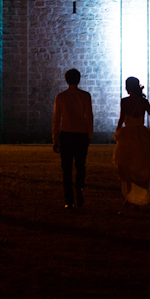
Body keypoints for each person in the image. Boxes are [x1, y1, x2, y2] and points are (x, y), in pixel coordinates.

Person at [114, 77, 150, 208]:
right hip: (141, 134)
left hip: (128, 135)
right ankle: (143, 195)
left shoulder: (124, 102)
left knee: (127, 163)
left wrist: (118, 130)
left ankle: (129, 196)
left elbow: (121, 119)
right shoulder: (144, 102)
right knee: (143, 163)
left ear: (128, 88)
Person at [52, 69, 94, 209]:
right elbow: (89, 116)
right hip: (81, 134)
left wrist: (55, 138)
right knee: (81, 165)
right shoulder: (85, 96)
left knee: (67, 168)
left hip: (67, 134)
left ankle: (69, 199)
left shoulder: (61, 97)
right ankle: (79, 189)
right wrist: (89, 134)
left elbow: (56, 119)